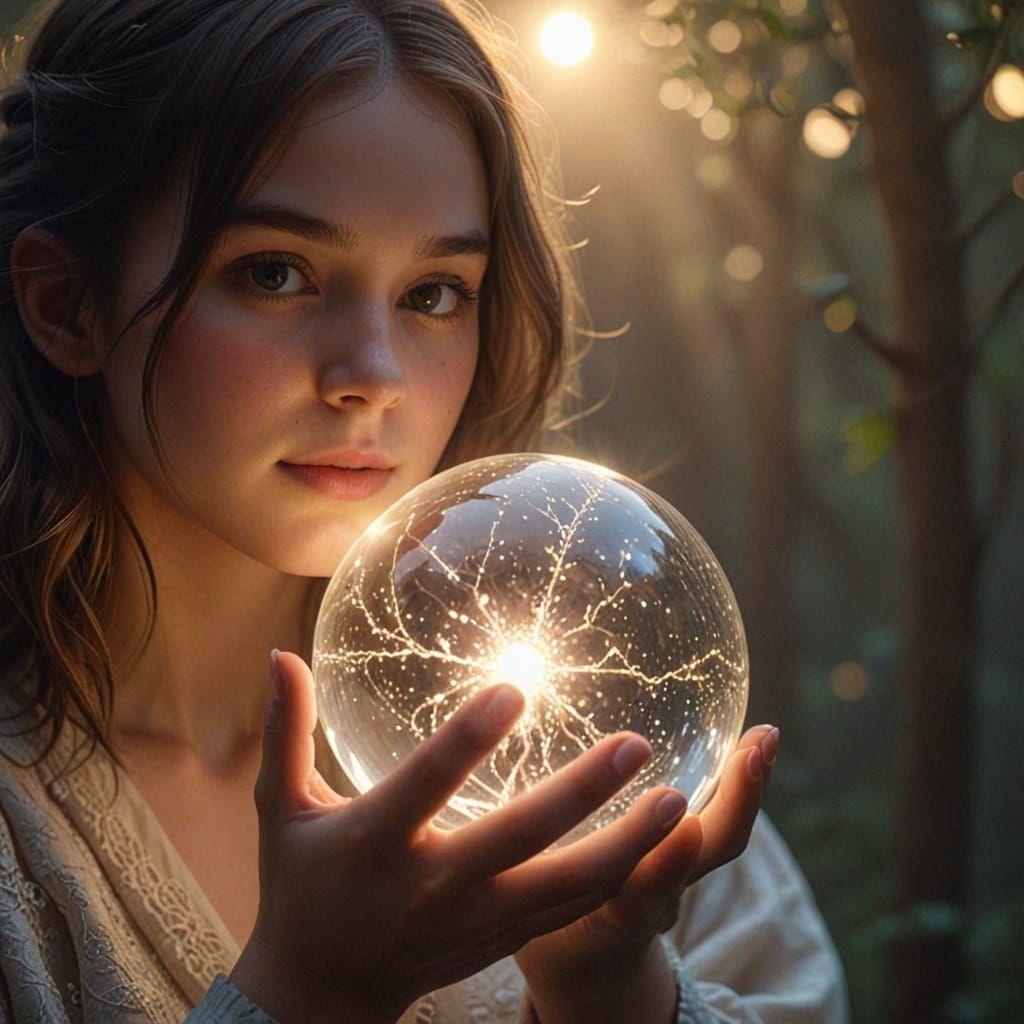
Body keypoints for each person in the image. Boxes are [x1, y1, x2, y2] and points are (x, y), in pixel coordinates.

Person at [0, 1, 850, 1021]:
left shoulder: (587, 737)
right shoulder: (25, 840)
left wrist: (603, 981)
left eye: (435, 293)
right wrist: (310, 989)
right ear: (67, 304)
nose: (374, 375)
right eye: (275, 273)